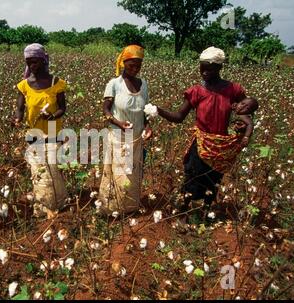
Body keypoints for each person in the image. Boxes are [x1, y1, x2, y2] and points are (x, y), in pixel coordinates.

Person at [156, 47, 253, 213]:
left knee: (214, 178)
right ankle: (184, 212)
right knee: (192, 176)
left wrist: (244, 124)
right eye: (202, 67)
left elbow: (247, 110)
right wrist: (158, 110)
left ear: (220, 68)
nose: (204, 72)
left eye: (209, 68)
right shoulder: (196, 91)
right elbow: (179, 117)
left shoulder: (233, 90)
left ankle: (206, 210)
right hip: (201, 144)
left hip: (221, 145)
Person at [13, 43, 68, 215]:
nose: (31, 66)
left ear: (44, 61)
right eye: (28, 62)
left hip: (53, 133)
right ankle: (43, 206)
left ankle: (59, 203)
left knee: (53, 168)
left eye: (35, 62)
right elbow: (20, 108)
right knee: (38, 171)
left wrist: (52, 116)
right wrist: (17, 119)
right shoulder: (24, 85)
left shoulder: (56, 83)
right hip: (34, 134)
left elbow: (62, 108)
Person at [99, 44, 153, 215]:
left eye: (138, 65)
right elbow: (105, 110)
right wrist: (118, 122)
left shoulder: (143, 84)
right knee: (120, 173)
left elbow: (145, 111)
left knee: (133, 173)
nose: (135, 69)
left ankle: (130, 207)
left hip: (137, 138)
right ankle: (113, 208)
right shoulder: (114, 84)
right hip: (118, 137)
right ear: (123, 63)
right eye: (131, 65)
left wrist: (148, 126)